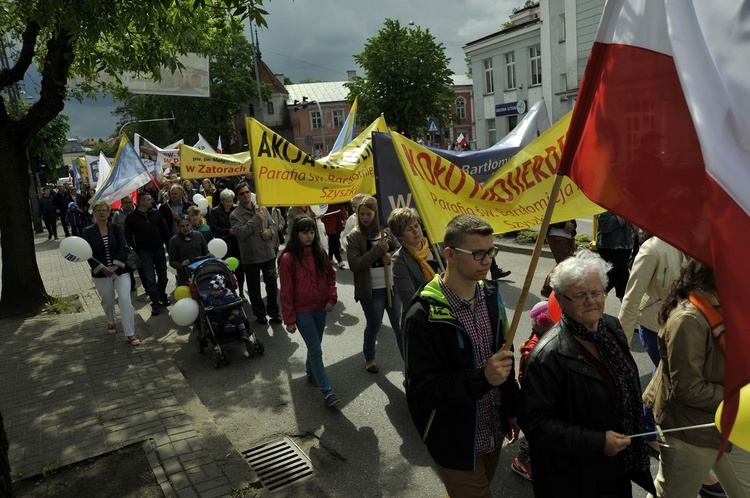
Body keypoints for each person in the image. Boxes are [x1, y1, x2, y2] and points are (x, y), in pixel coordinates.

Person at [519, 249, 653, 497]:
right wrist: (597, 441)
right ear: (559, 300)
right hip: (574, 477)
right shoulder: (547, 355)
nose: (591, 301)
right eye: (580, 295)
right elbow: (535, 423)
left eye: (597, 292)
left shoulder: (611, 328)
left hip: (616, 465)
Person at [404, 214, 519, 497]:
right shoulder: (423, 315)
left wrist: (512, 407)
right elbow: (423, 393)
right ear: (450, 254)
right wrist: (482, 378)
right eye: (478, 253)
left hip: (494, 431)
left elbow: (505, 356)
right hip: (455, 443)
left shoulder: (492, 296)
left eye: (491, 251)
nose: (488, 260)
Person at [643, 260, 750, 497]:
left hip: (729, 422)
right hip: (691, 428)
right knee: (674, 493)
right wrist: (740, 399)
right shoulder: (688, 318)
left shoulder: (730, 304)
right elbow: (689, 389)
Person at [617, 233, 685, 459]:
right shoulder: (652, 249)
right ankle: (648, 431)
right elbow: (631, 298)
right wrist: (620, 343)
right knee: (666, 378)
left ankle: (647, 430)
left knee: (661, 375)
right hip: (654, 326)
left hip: (679, 326)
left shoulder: (688, 243)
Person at [279, 216, 339, 407]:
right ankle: (327, 391)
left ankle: (310, 372)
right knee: (316, 350)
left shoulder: (320, 252)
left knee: (315, 346)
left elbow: (331, 276)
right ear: (296, 234)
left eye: (312, 232)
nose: (309, 236)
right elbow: (286, 291)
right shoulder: (288, 259)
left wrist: (332, 298)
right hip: (302, 312)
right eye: (305, 232)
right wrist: (289, 319)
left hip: (320, 308)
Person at [346, 195, 402, 373]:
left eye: (368, 214)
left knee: (400, 327)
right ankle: (369, 357)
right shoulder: (354, 236)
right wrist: (378, 251)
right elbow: (355, 265)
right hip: (371, 291)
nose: (364, 217)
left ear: (376, 213)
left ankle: (408, 360)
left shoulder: (386, 231)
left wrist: (390, 255)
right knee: (374, 325)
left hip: (392, 288)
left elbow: (400, 249)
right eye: (361, 213)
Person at [82, 200, 140, 346]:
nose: (101, 213)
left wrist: (115, 265)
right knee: (107, 301)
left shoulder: (115, 228)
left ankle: (130, 333)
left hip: (120, 271)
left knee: (125, 300)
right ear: (93, 213)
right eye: (98, 210)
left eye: (104, 210)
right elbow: (87, 254)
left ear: (109, 213)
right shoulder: (88, 231)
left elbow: (123, 247)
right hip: (101, 273)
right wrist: (102, 268)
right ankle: (111, 321)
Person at [511, 301, 556, 481]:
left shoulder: (543, 342)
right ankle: (520, 463)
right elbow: (526, 380)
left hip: (541, 401)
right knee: (532, 438)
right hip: (535, 403)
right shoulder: (533, 352)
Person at [230, 182, 281, 325]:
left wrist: (269, 232)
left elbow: (273, 226)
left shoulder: (261, 207)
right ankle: (260, 314)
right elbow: (240, 233)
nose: (245, 195)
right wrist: (255, 219)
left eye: (247, 192)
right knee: (254, 290)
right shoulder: (235, 215)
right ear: (238, 197)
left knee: (271, 286)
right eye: (242, 194)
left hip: (268, 254)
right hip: (251, 257)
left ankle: (274, 312)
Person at [387, 207, 441, 325]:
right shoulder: (400, 260)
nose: (416, 231)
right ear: (399, 235)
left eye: (416, 225)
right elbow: (409, 299)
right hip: (423, 320)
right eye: (409, 229)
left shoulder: (436, 247)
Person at [124, 193, 172, 316]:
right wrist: (135, 250)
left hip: (159, 249)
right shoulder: (131, 218)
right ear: (141, 202)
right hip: (144, 252)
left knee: (163, 276)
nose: (151, 201)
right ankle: (155, 303)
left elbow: (165, 231)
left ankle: (162, 296)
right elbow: (128, 237)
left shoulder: (156, 213)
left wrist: (169, 245)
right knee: (150, 278)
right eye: (148, 199)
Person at [208, 189, 244, 297]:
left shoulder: (237, 209)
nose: (229, 203)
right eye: (226, 201)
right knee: (225, 270)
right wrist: (227, 230)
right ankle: (229, 292)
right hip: (224, 244)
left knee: (240, 269)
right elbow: (214, 227)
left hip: (237, 243)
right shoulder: (215, 211)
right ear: (222, 201)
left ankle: (241, 292)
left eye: (231, 201)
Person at [596, 211, 634, 300]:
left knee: (611, 279)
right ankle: (627, 312)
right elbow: (605, 225)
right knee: (623, 281)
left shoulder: (626, 201)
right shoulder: (606, 201)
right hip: (611, 247)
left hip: (625, 245)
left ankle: (594, 299)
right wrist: (621, 215)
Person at [203, 274, 249, 342]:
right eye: (212, 290)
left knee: (239, 319)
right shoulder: (210, 297)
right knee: (219, 321)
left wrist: (233, 314)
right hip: (219, 315)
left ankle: (244, 334)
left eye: (216, 290)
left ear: (222, 289)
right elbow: (205, 303)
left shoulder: (229, 296)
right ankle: (228, 327)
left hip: (231, 313)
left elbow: (237, 306)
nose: (213, 292)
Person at [168, 215, 209, 286]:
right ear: (177, 227)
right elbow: (172, 261)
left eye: (187, 225)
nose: (185, 228)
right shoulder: (174, 240)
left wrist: (209, 255)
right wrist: (181, 265)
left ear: (191, 225)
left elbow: (206, 251)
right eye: (182, 226)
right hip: (184, 275)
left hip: (201, 272)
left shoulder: (198, 235)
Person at [540, 219, 577, 297]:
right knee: (564, 263)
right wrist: (562, 224)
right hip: (557, 234)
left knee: (564, 263)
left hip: (568, 233)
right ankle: (548, 289)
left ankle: (548, 288)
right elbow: (547, 216)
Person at [320, 203, 347, 268]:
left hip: (336, 217)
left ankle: (330, 258)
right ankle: (339, 260)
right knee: (333, 239)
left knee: (334, 239)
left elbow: (341, 204)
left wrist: (344, 217)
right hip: (326, 217)